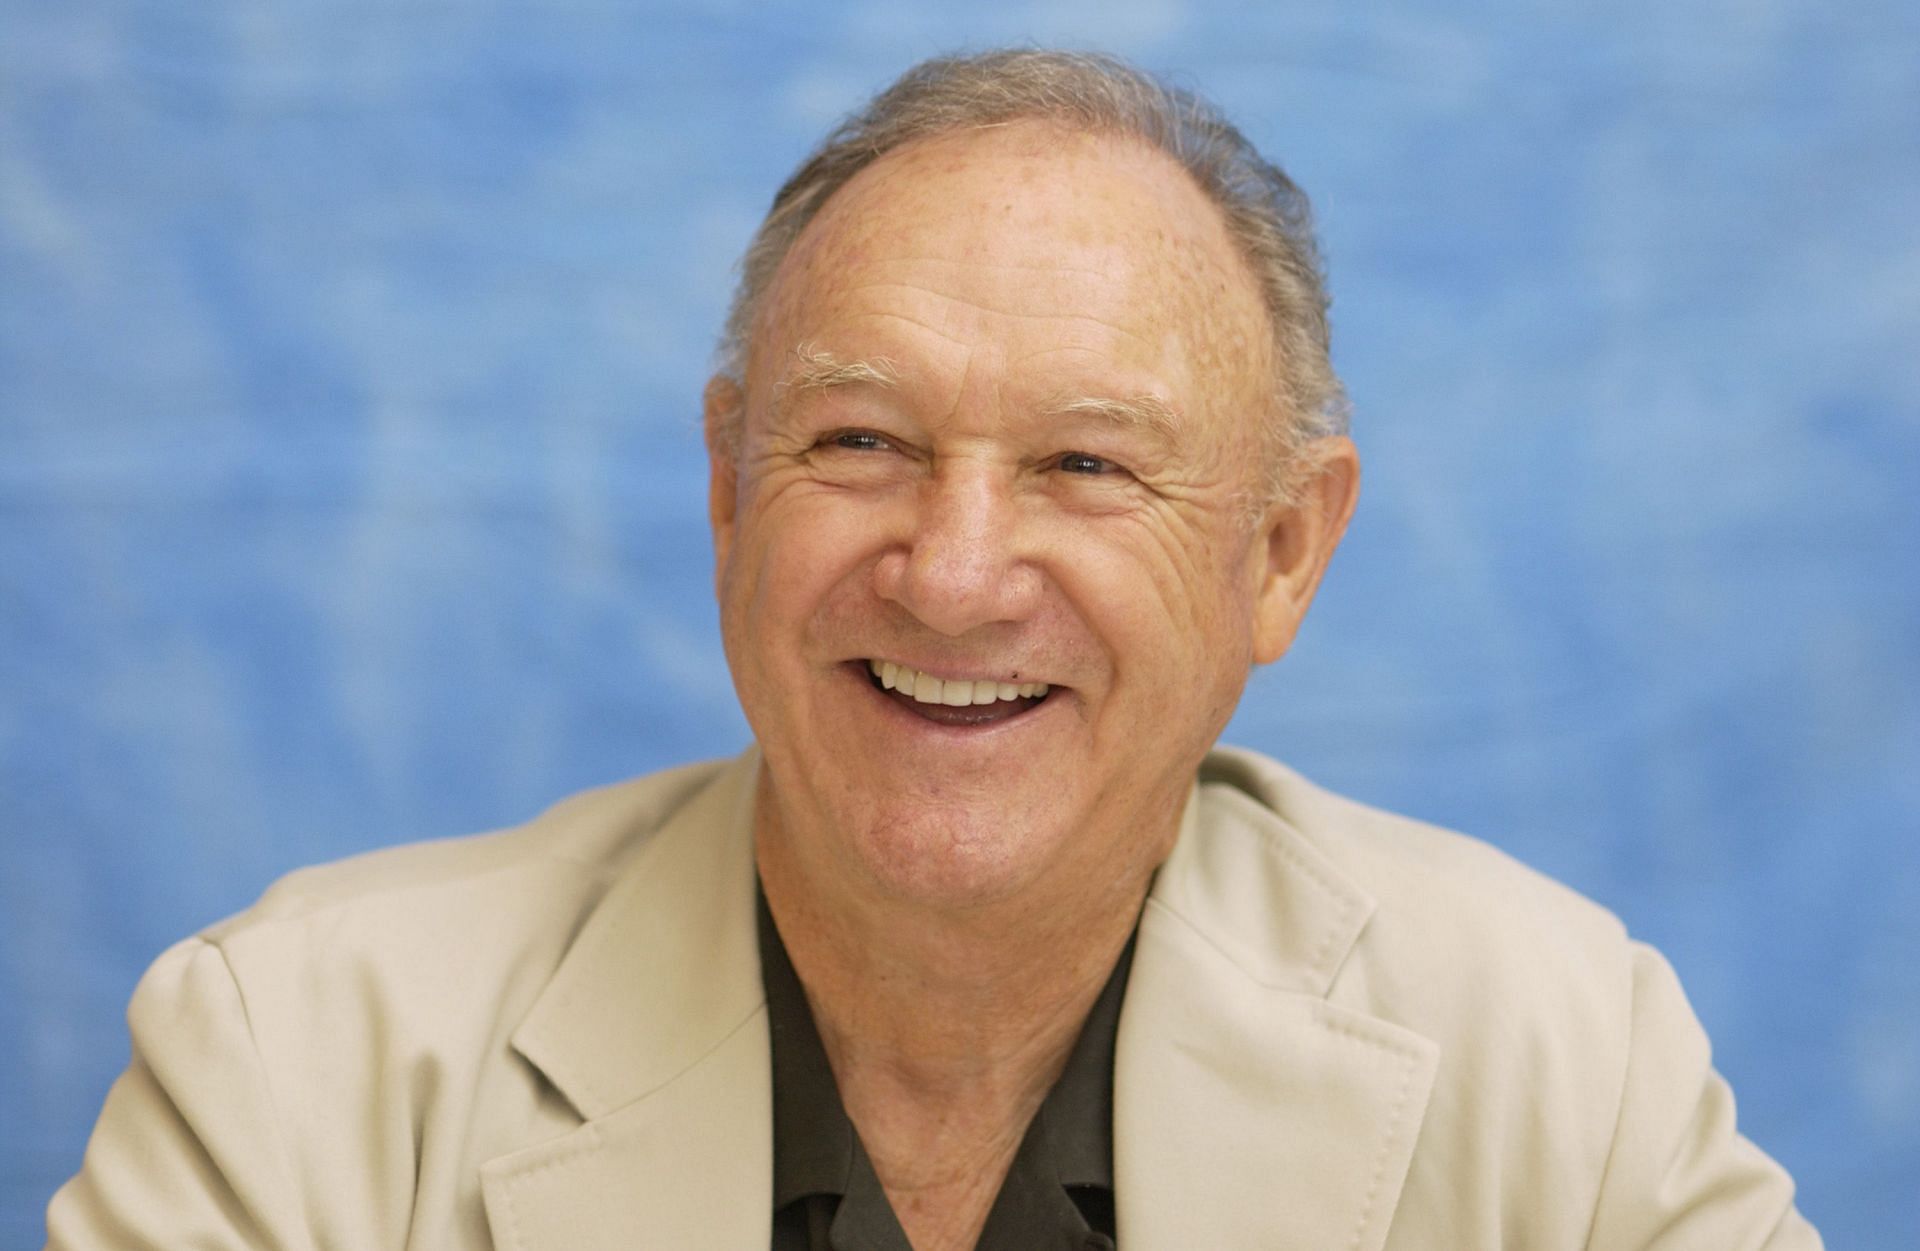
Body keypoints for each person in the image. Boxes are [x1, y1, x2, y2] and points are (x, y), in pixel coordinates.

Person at [48, 49, 1820, 1251]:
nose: (957, 575)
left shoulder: (1564, 1067)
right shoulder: (291, 1067)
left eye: (1087, 466)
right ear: (732, 495)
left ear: (1282, 556)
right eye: (862, 444)